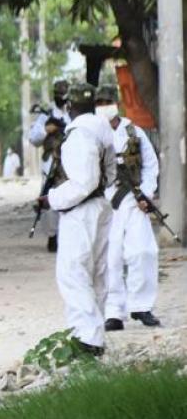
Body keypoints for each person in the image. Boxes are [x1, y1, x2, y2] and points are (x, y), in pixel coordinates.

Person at [39, 83, 114, 355]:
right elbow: (108, 173)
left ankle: (87, 338)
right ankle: (93, 334)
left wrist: (54, 198)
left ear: (69, 106)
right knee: (96, 273)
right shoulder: (101, 128)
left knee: (74, 272)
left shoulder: (79, 133)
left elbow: (84, 182)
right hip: (100, 205)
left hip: (81, 209)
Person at [96, 84, 162, 330]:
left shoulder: (133, 131)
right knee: (110, 257)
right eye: (100, 102)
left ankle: (142, 306)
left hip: (134, 201)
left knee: (143, 251)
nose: (105, 106)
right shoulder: (93, 131)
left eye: (108, 100)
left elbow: (151, 165)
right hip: (106, 204)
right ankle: (113, 312)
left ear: (117, 102)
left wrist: (145, 192)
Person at [28, 79, 72, 252]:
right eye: (58, 94)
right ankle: (53, 236)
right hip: (52, 162)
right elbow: (33, 138)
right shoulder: (46, 116)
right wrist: (47, 130)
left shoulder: (74, 113)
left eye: (63, 94)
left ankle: (68, 236)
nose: (61, 97)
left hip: (70, 162)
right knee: (50, 199)